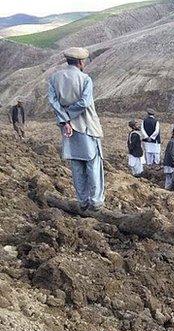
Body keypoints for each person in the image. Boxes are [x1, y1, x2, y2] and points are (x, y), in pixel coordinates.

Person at [47, 47, 105, 211]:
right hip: (87, 127)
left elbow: (53, 102)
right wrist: (71, 117)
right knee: (93, 163)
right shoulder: (85, 79)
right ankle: (95, 201)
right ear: (80, 62)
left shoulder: (54, 78)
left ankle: (82, 201)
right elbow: (85, 103)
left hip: (67, 130)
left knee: (77, 165)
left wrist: (65, 120)